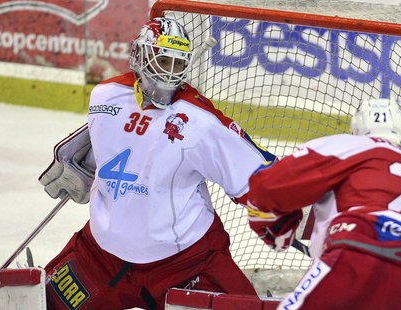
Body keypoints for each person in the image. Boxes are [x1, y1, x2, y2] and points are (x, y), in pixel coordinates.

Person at [38, 17, 274, 309]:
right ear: (139, 56)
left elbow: (261, 176)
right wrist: (85, 163)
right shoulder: (105, 96)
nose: (170, 72)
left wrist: (298, 205)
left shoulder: (200, 122)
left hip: (187, 266)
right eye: (163, 59)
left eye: (177, 63)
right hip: (100, 259)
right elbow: (108, 140)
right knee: (38, 304)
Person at [244, 98, 401, 309]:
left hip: (361, 251)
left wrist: (276, 230)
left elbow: (266, 188)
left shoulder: (349, 145)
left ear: (357, 130)